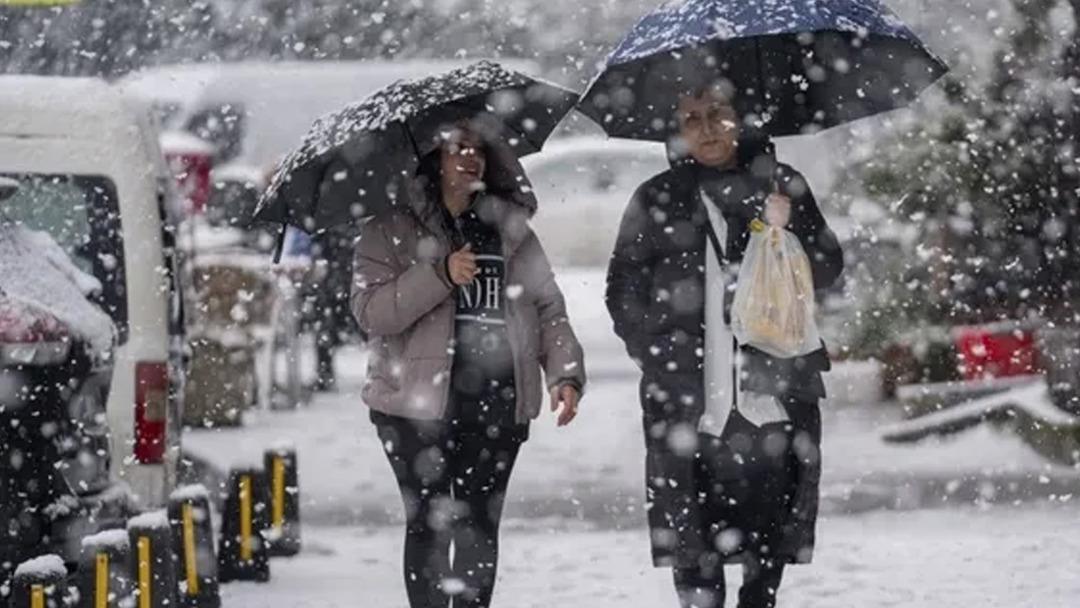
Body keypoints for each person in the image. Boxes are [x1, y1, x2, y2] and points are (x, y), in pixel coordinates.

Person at [605, 82, 843, 608]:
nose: (707, 129)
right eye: (691, 118)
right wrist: (655, 354)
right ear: (677, 130)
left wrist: (791, 230)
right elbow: (622, 287)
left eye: (717, 114)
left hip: (773, 399)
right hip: (690, 402)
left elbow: (829, 270)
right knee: (693, 547)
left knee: (767, 551)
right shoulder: (657, 197)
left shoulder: (783, 185)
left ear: (742, 118)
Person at [350, 120, 586, 608]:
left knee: (479, 524)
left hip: (496, 403)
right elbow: (372, 312)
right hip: (413, 409)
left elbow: (547, 307)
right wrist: (439, 274)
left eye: (478, 149)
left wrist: (564, 373)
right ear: (434, 158)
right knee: (429, 523)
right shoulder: (389, 228)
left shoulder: (509, 227)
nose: (470, 158)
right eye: (457, 148)